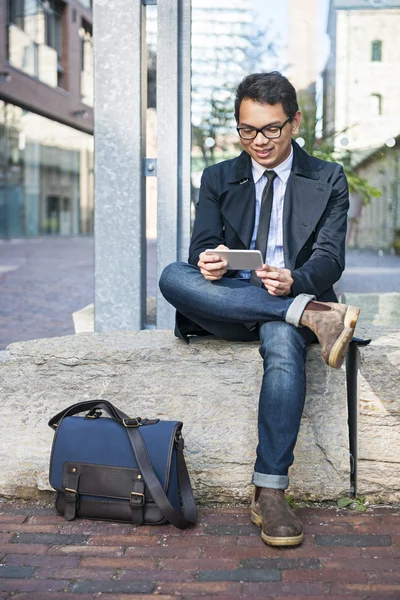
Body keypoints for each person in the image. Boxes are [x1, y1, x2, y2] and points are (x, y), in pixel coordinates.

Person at [159, 72, 360, 547]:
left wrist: (296, 281)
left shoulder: (327, 177)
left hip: (289, 294)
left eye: (271, 128)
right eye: (248, 130)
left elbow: (330, 258)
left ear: (294, 122)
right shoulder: (217, 177)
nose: (259, 141)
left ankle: (268, 492)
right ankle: (308, 314)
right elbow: (201, 248)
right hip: (229, 302)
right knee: (172, 275)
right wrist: (208, 264)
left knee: (282, 340)